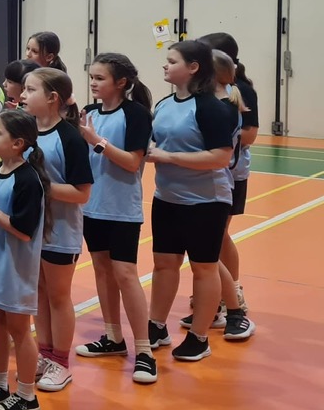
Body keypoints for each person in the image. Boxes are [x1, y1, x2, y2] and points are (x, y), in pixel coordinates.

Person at [146, 40, 251, 362]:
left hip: (206, 201)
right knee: (164, 264)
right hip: (167, 198)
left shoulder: (211, 108)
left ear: (193, 68)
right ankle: (156, 326)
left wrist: (168, 157)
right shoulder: (165, 104)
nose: (165, 65)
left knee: (203, 268)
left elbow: (220, 157)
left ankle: (199, 337)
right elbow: (153, 141)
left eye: (172, 61)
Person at [75, 53, 157, 384]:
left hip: (121, 208)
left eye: (100, 78)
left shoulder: (136, 114)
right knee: (102, 270)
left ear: (120, 83)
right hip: (91, 207)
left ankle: (145, 350)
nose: (93, 83)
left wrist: (96, 142)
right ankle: (113, 337)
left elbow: (133, 162)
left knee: (125, 273)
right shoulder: (89, 112)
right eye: (91, 78)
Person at [19, 67, 93, 392]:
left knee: (59, 296)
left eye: (30, 89)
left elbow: (81, 193)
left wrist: (38, 185)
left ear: (52, 98)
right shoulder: (26, 132)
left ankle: (61, 362)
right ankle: (45, 353)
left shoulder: (70, 137)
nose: (23, 95)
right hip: (31, 230)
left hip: (61, 232)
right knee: (38, 293)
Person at [0, 110, 49, 410]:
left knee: (20, 330)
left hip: (16, 265)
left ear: (18, 143)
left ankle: (27, 395)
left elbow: (23, 230)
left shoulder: (28, 179)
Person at [197, 32, 257, 321]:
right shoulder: (203, 93)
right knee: (212, 237)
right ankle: (215, 296)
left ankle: (232, 294)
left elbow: (250, 135)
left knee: (218, 235)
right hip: (208, 173)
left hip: (231, 173)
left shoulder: (240, 90)